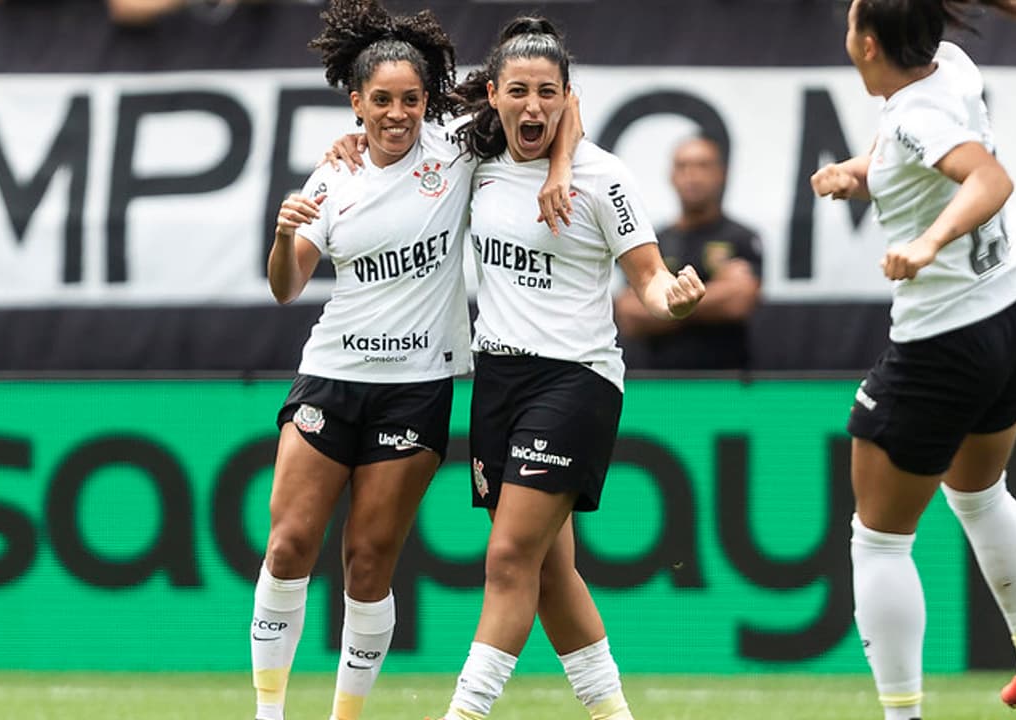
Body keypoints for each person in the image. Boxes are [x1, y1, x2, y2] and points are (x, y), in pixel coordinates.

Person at [252, 3, 577, 720]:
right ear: (355, 103)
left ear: (427, 100)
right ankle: (268, 713)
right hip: (331, 377)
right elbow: (286, 287)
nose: (396, 114)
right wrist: (282, 235)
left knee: (367, 563)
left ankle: (345, 715)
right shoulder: (331, 177)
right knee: (288, 546)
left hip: (417, 387)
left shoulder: (458, 152)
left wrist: (557, 166)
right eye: (381, 102)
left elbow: (560, 105)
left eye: (410, 99)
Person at [811, 1, 1016, 718]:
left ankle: (902, 716)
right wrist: (857, 173)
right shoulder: (947, 68)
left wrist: (927, 245)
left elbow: (988, 180)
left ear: (865, 44)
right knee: (981, 495)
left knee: (879, 542)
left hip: (944, 343)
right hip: (1011, 317)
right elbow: (917, 153)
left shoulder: (910, 115)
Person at [438, 17, 704, 720]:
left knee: (506, 560)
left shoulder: (605, 178)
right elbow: (404, 151)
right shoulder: (476, 163)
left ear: (567, 98)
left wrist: (670, 295)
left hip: (575, 379)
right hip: (496, 382)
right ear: (492, 94)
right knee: (552, 574)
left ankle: (463, 713)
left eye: (547, 93)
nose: (533, 106)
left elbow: (647, 278)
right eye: (518, 91)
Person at [613, 135, 762, 370]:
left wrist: (663, 305)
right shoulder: (652, 240)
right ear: (671, 176)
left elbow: (738, 302)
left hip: (728, 384)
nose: (692, 175)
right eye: (683, 166)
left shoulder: (742, 237)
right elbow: (630, 314)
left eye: (702, 166)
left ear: (721, 174)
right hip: (660, 385)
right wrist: (712, 293)